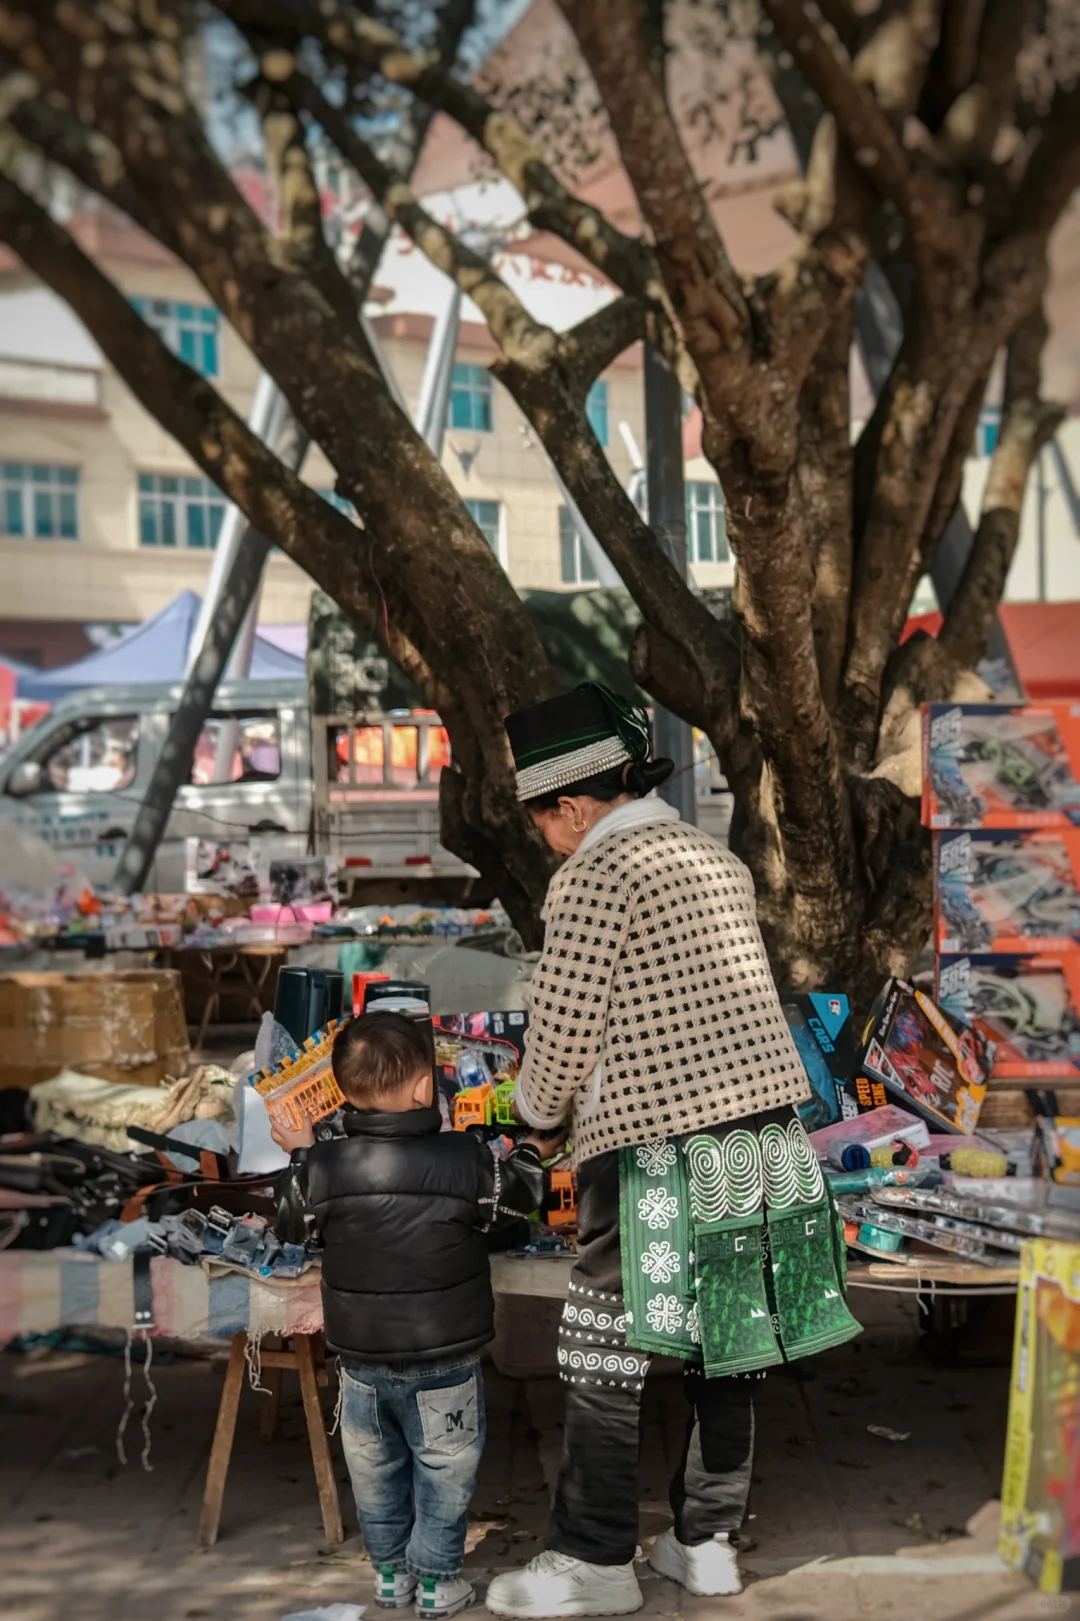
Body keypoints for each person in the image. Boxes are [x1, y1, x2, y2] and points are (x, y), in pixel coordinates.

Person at [485, 684, 860, 1620]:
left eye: (541, 821)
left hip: (657, 1144)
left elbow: (564, 1033)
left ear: (570, 804)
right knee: (731, 1341)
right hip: (762, 1130)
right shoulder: (710, 854)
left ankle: (596, 1558)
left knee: (601, 1350)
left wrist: (531, 1112)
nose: (544, 840)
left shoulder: (595, 874)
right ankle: (706, 1544)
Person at [273, 1012, 563, 1619]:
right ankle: (436, 1580)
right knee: (445, 1472)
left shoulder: (324, 1168)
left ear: (343, 1093)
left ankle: (389, 1576)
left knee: (375, 1474)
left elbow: (292, 1223)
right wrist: (534, 1152)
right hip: (446, 1361)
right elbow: (512, 1213)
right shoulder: (465, 1158)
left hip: (360, 1363)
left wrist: (300, 1154)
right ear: (427, 1087)